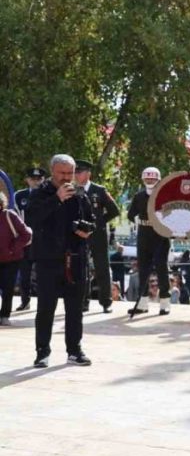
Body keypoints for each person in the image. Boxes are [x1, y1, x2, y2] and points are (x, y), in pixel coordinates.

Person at [25, 154, 94, 367]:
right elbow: (32, 219)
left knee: (75, 309)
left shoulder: (80, 194)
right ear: (52, 171)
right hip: (48, 260)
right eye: (61, 173)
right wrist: (57, 198)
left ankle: (74, 350)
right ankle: (42, 352)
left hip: (75, 259)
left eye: (69, 173)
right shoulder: (40, 193)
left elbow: (91, 220)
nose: (66, 177)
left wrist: (87, 230)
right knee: (46, 308)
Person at [74, 158, 119, 313]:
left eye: (79, 172)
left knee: (102, 268)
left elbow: (114, 210)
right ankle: (83, 302)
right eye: (75, 172)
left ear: (88, 174)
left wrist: (99, 222)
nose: (76, 175)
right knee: (81, 268)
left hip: (97, 234)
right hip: (79, 234)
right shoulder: (72, 190)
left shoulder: (99, 190)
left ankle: (106, 302)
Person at [127, 167, 172, 315]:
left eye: (153, 178)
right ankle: (142, 304)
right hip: (143, 235)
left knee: (162, 269)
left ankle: (165, 303)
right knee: (143, 270)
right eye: (147, 178)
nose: (150, 181)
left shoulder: (164, 196)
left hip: (160, 235)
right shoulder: (139, 196)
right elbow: (130, 214)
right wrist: (137, 219)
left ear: (158, 180)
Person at [14, 167, 45, 311]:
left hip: (43, 240)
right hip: (25, 240)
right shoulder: (19, 196)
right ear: (27, 180)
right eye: (33, 179)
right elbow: (14, 217)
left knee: (43, 273)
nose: (36, 182)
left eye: (39, 179)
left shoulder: (49, 195)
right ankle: (25, 300)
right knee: (24, 273)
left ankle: (44, 302)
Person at [0, 191, 33, 325]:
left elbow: (27, 234)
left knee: (8, 288)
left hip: (11, 260)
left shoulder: (9, 215)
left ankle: (4, 315)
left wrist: (12, 249)